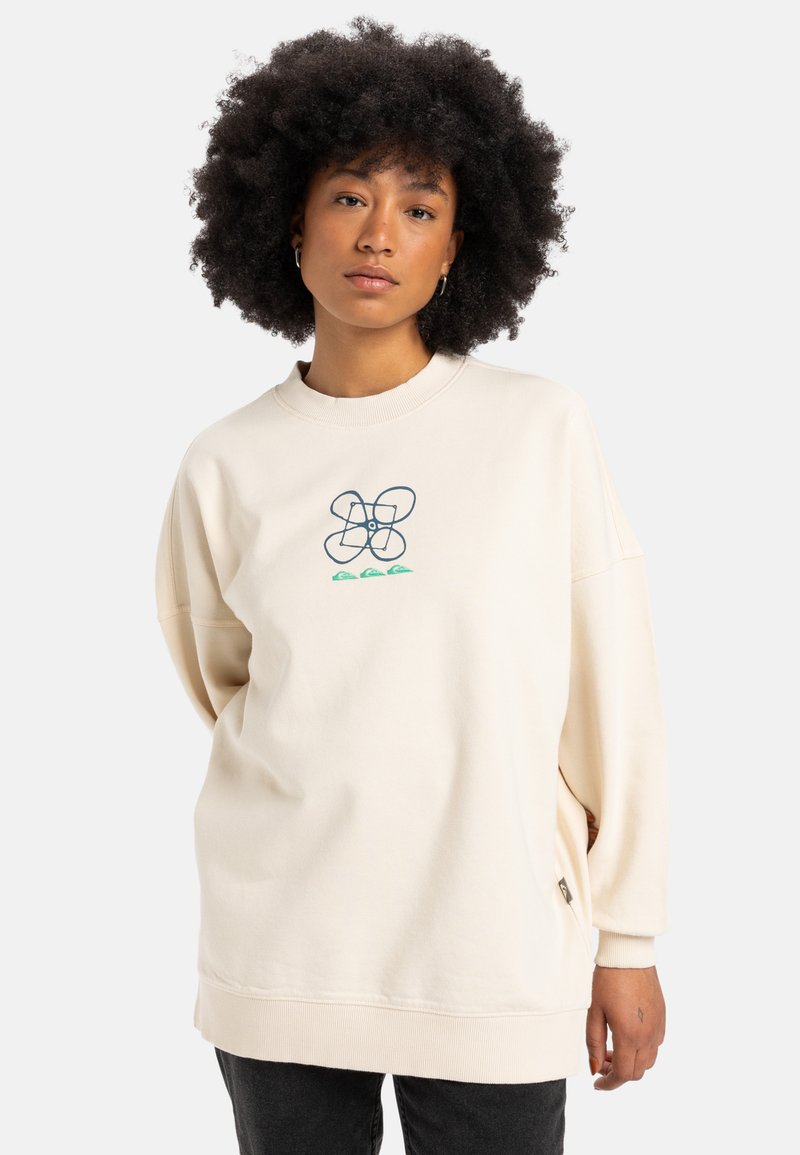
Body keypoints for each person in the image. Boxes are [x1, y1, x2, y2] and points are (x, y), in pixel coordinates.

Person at [154, 16, 669, 1155]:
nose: (378, 233)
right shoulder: (224, 462)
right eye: (347, 195)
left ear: (458, 246)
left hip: (492, 946)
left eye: (419, 206)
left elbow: (612, 693)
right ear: (287, 220)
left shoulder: (537, 430)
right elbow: (227, 684)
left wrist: (627, 939)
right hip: (280, 949)